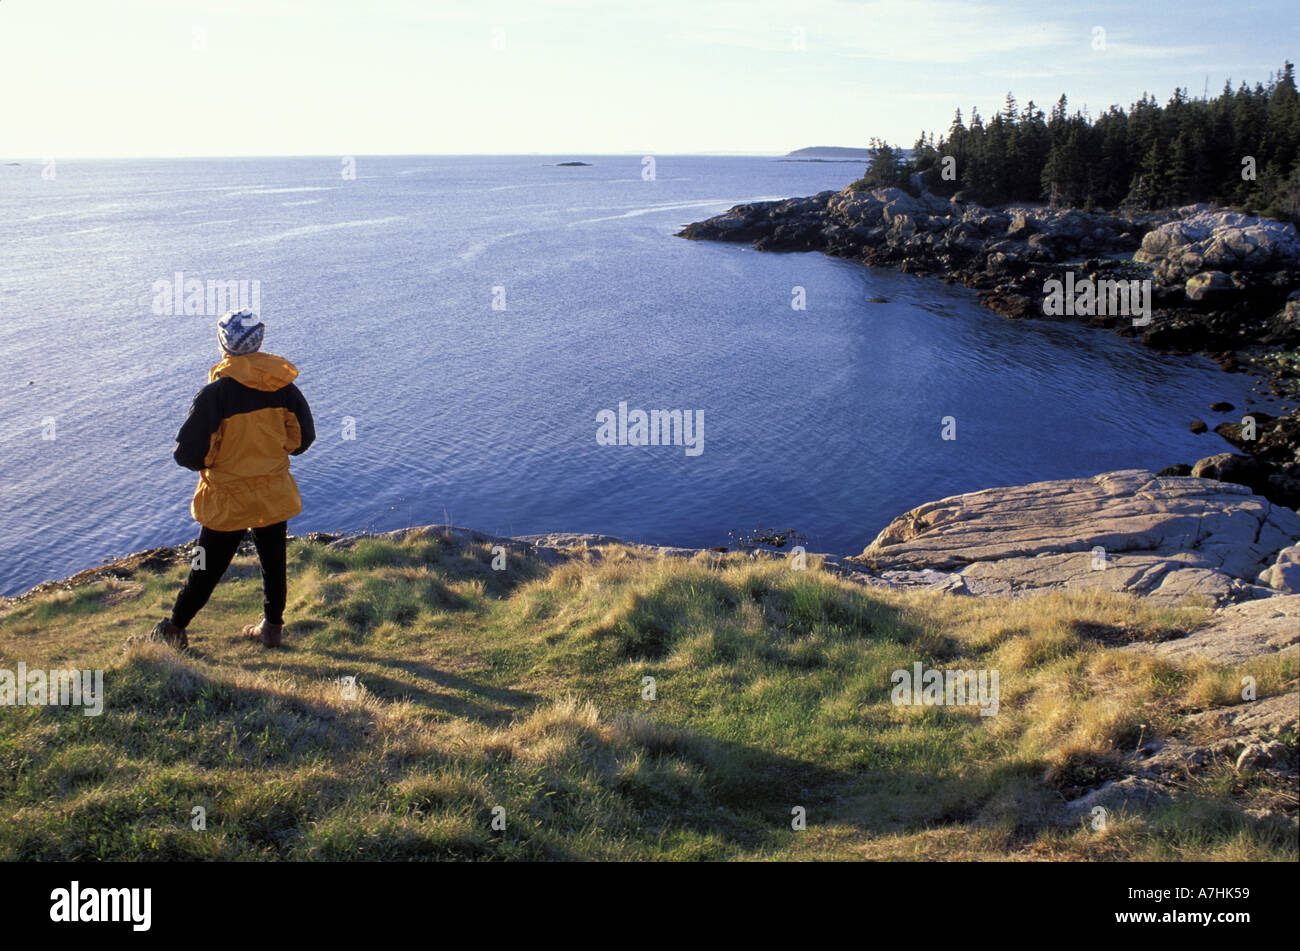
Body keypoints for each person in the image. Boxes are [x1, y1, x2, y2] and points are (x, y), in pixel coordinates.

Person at [148, 309, 315, 649]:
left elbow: (186, 454)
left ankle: (175, 629)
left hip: (227, 497)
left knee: (203, 564)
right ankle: (272, 628)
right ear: (258, 340)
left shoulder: (215, 395)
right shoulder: (283, 388)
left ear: (224, 343)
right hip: (272, 491)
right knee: (273, 561)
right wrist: (271, 452)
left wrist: (212, 464)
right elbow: (302, 440)